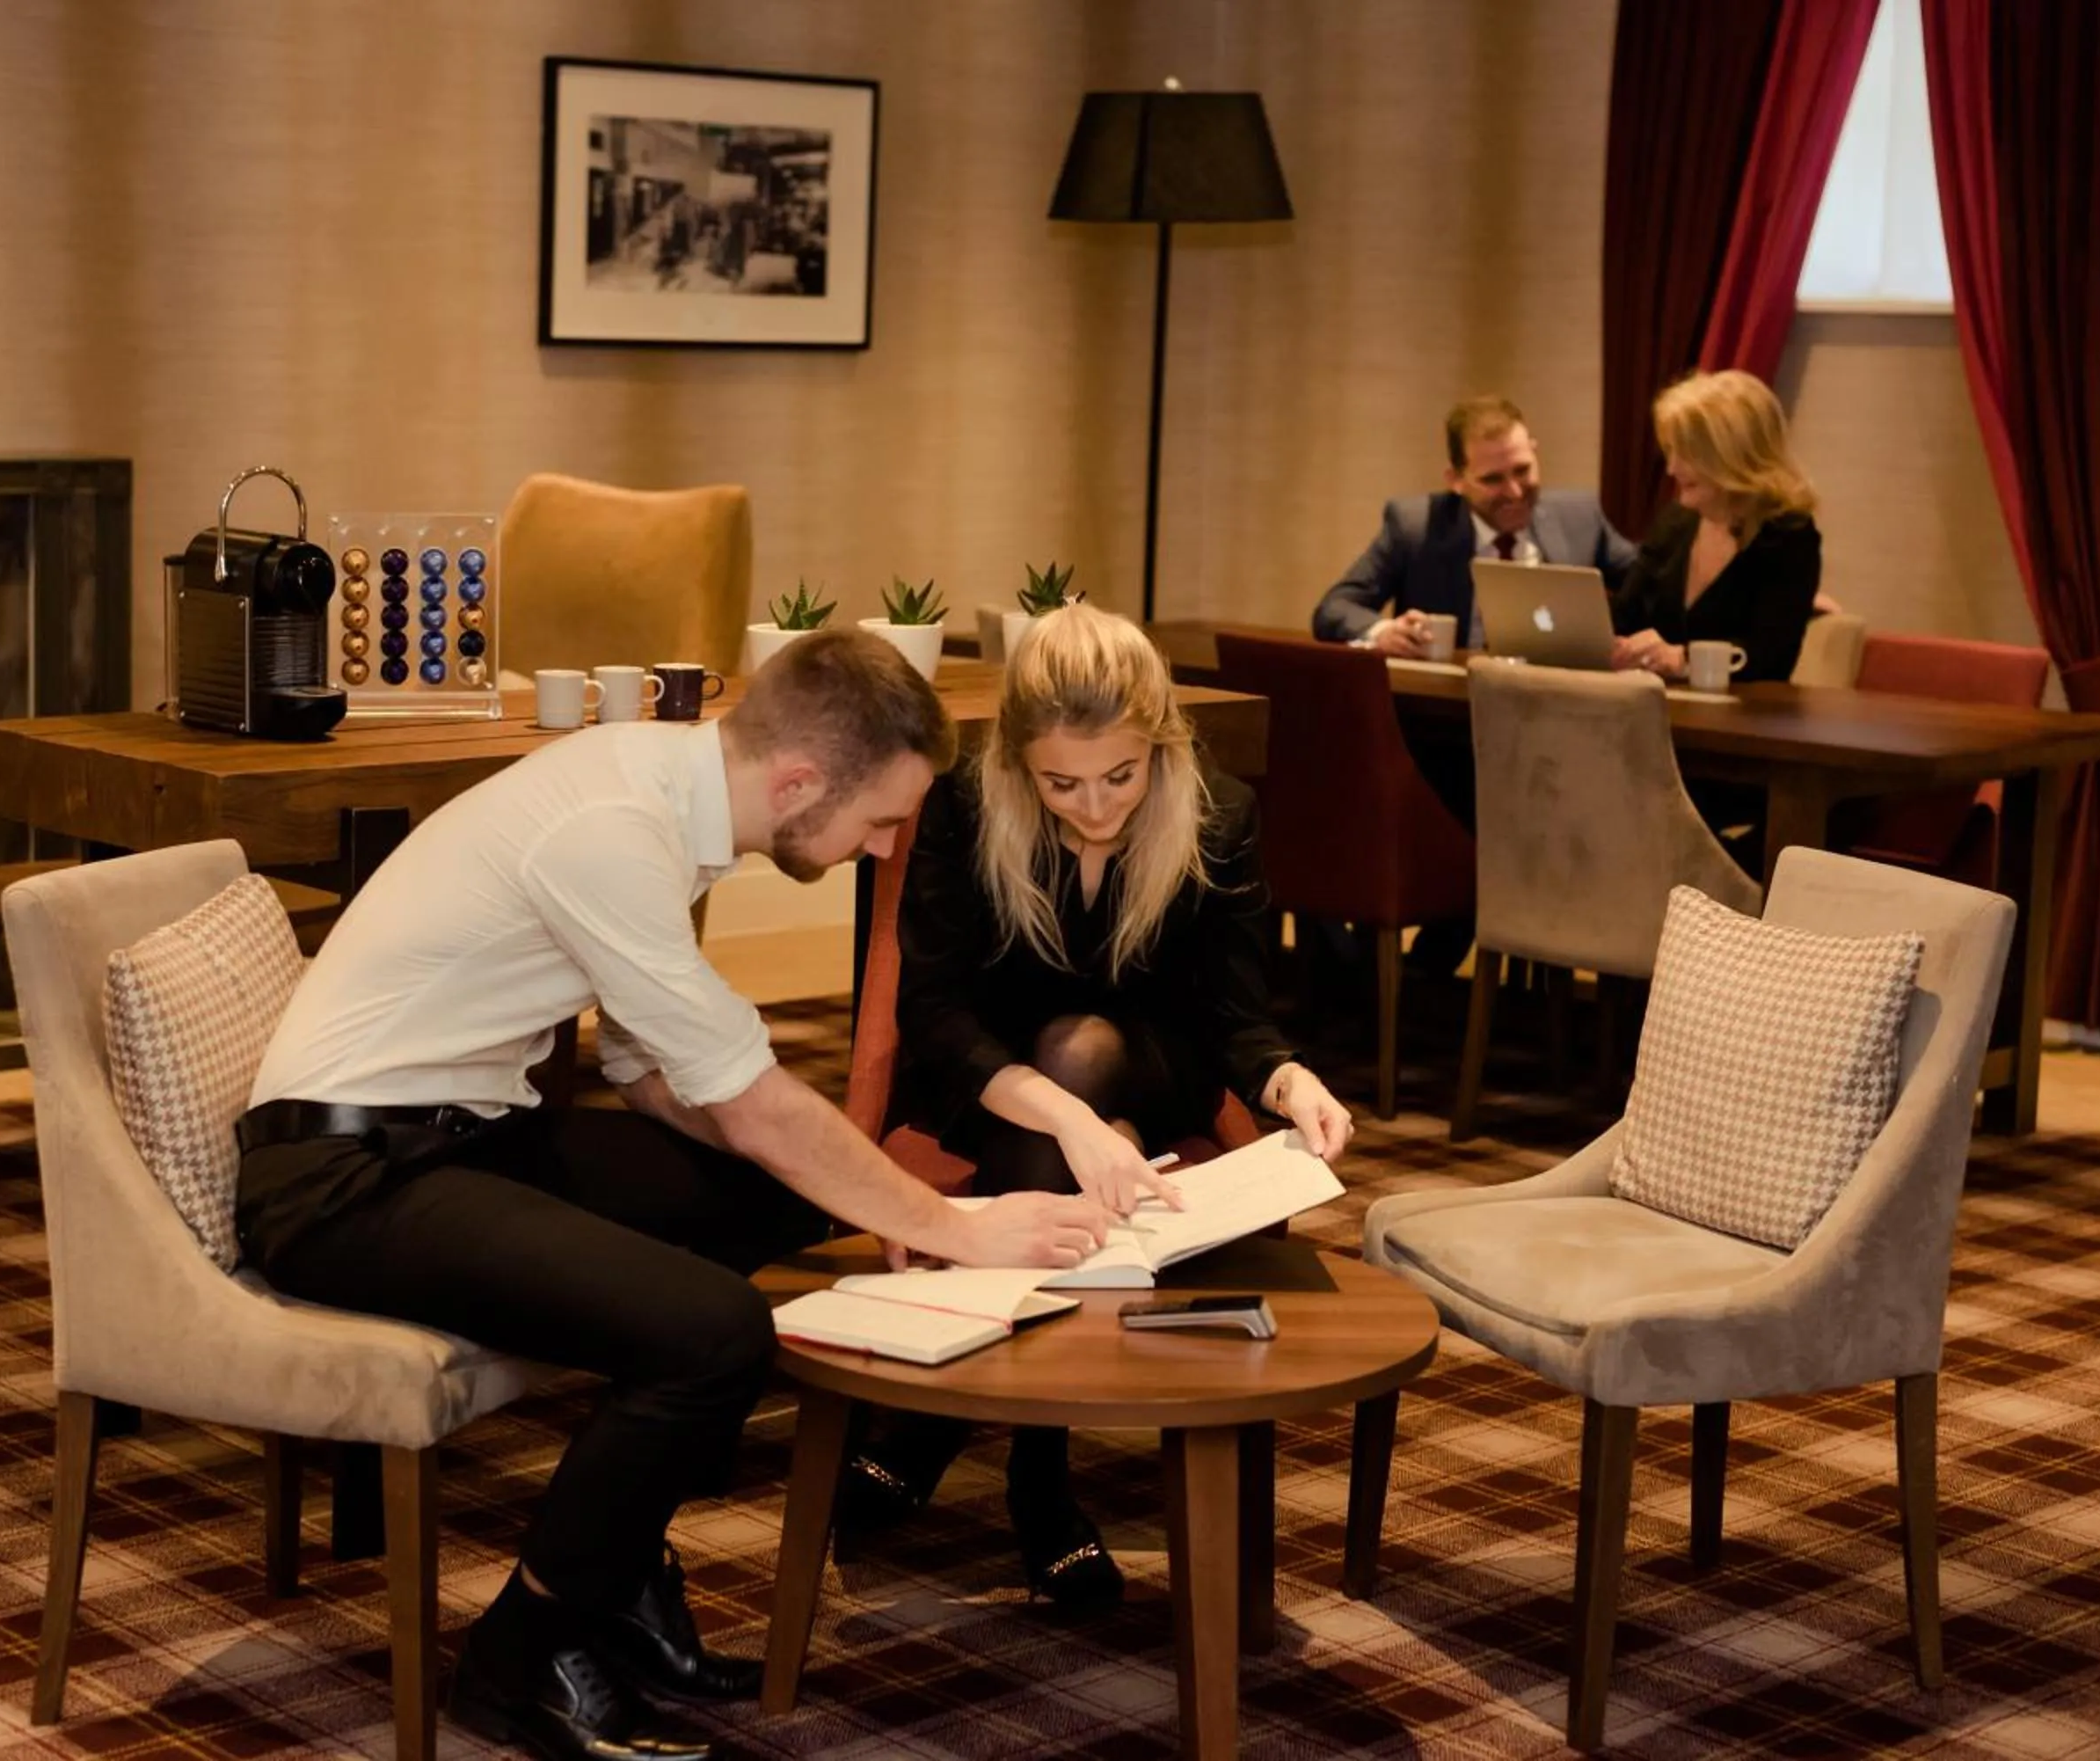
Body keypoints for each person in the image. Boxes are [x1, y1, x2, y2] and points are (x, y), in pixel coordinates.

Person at [233, 632, 1113, 1761]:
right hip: (341, 1183)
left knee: (784, 1203)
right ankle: (520, 1659)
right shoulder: (613, 830)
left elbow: (652, 1075)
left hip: (457, 1138)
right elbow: (745, 1096)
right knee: (714, 1333)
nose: (886, 848)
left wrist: (875, 1204)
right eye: (881, 822)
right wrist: (952, 1226)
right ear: (799, 784)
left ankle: (621, 1585)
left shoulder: (664, 793)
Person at [836, 603, 1353, 1606]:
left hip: (1155, 1070)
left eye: (1122, 775)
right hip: (990, 1081)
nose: (1097, 806)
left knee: (1093, 1047)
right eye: (1061, 782)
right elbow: (936, 1015)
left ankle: (946, 1430)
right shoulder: (964, 808)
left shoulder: (1218, 816)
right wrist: (1078, 1126)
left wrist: (1294, 1084)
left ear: (1159, 742)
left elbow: (1236, 1018)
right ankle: (1040, 1476)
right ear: (1019, 761)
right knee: (1074, 1075)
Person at [1314, 394, 1637, 658]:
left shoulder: (1580, 519)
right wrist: (1385, 632)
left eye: (1522, 470)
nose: (1514, 491)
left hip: (1557, 711)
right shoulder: (1415, 526)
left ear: (1535, 453)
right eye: (1493, 479)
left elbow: (1657, 588)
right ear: (1456, 481)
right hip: (1448, 713)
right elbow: (1335, 608)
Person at [1609, 369, 1823, 685]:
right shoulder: (1676, 522)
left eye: (1687, 454)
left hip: (1739, 724)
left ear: (1732, 456)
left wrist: (1681, 659)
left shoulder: (1789, 537)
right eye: (1671, 451)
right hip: (1651, 713)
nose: (1672, 468)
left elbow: (1767, 656)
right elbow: (1626, 615)